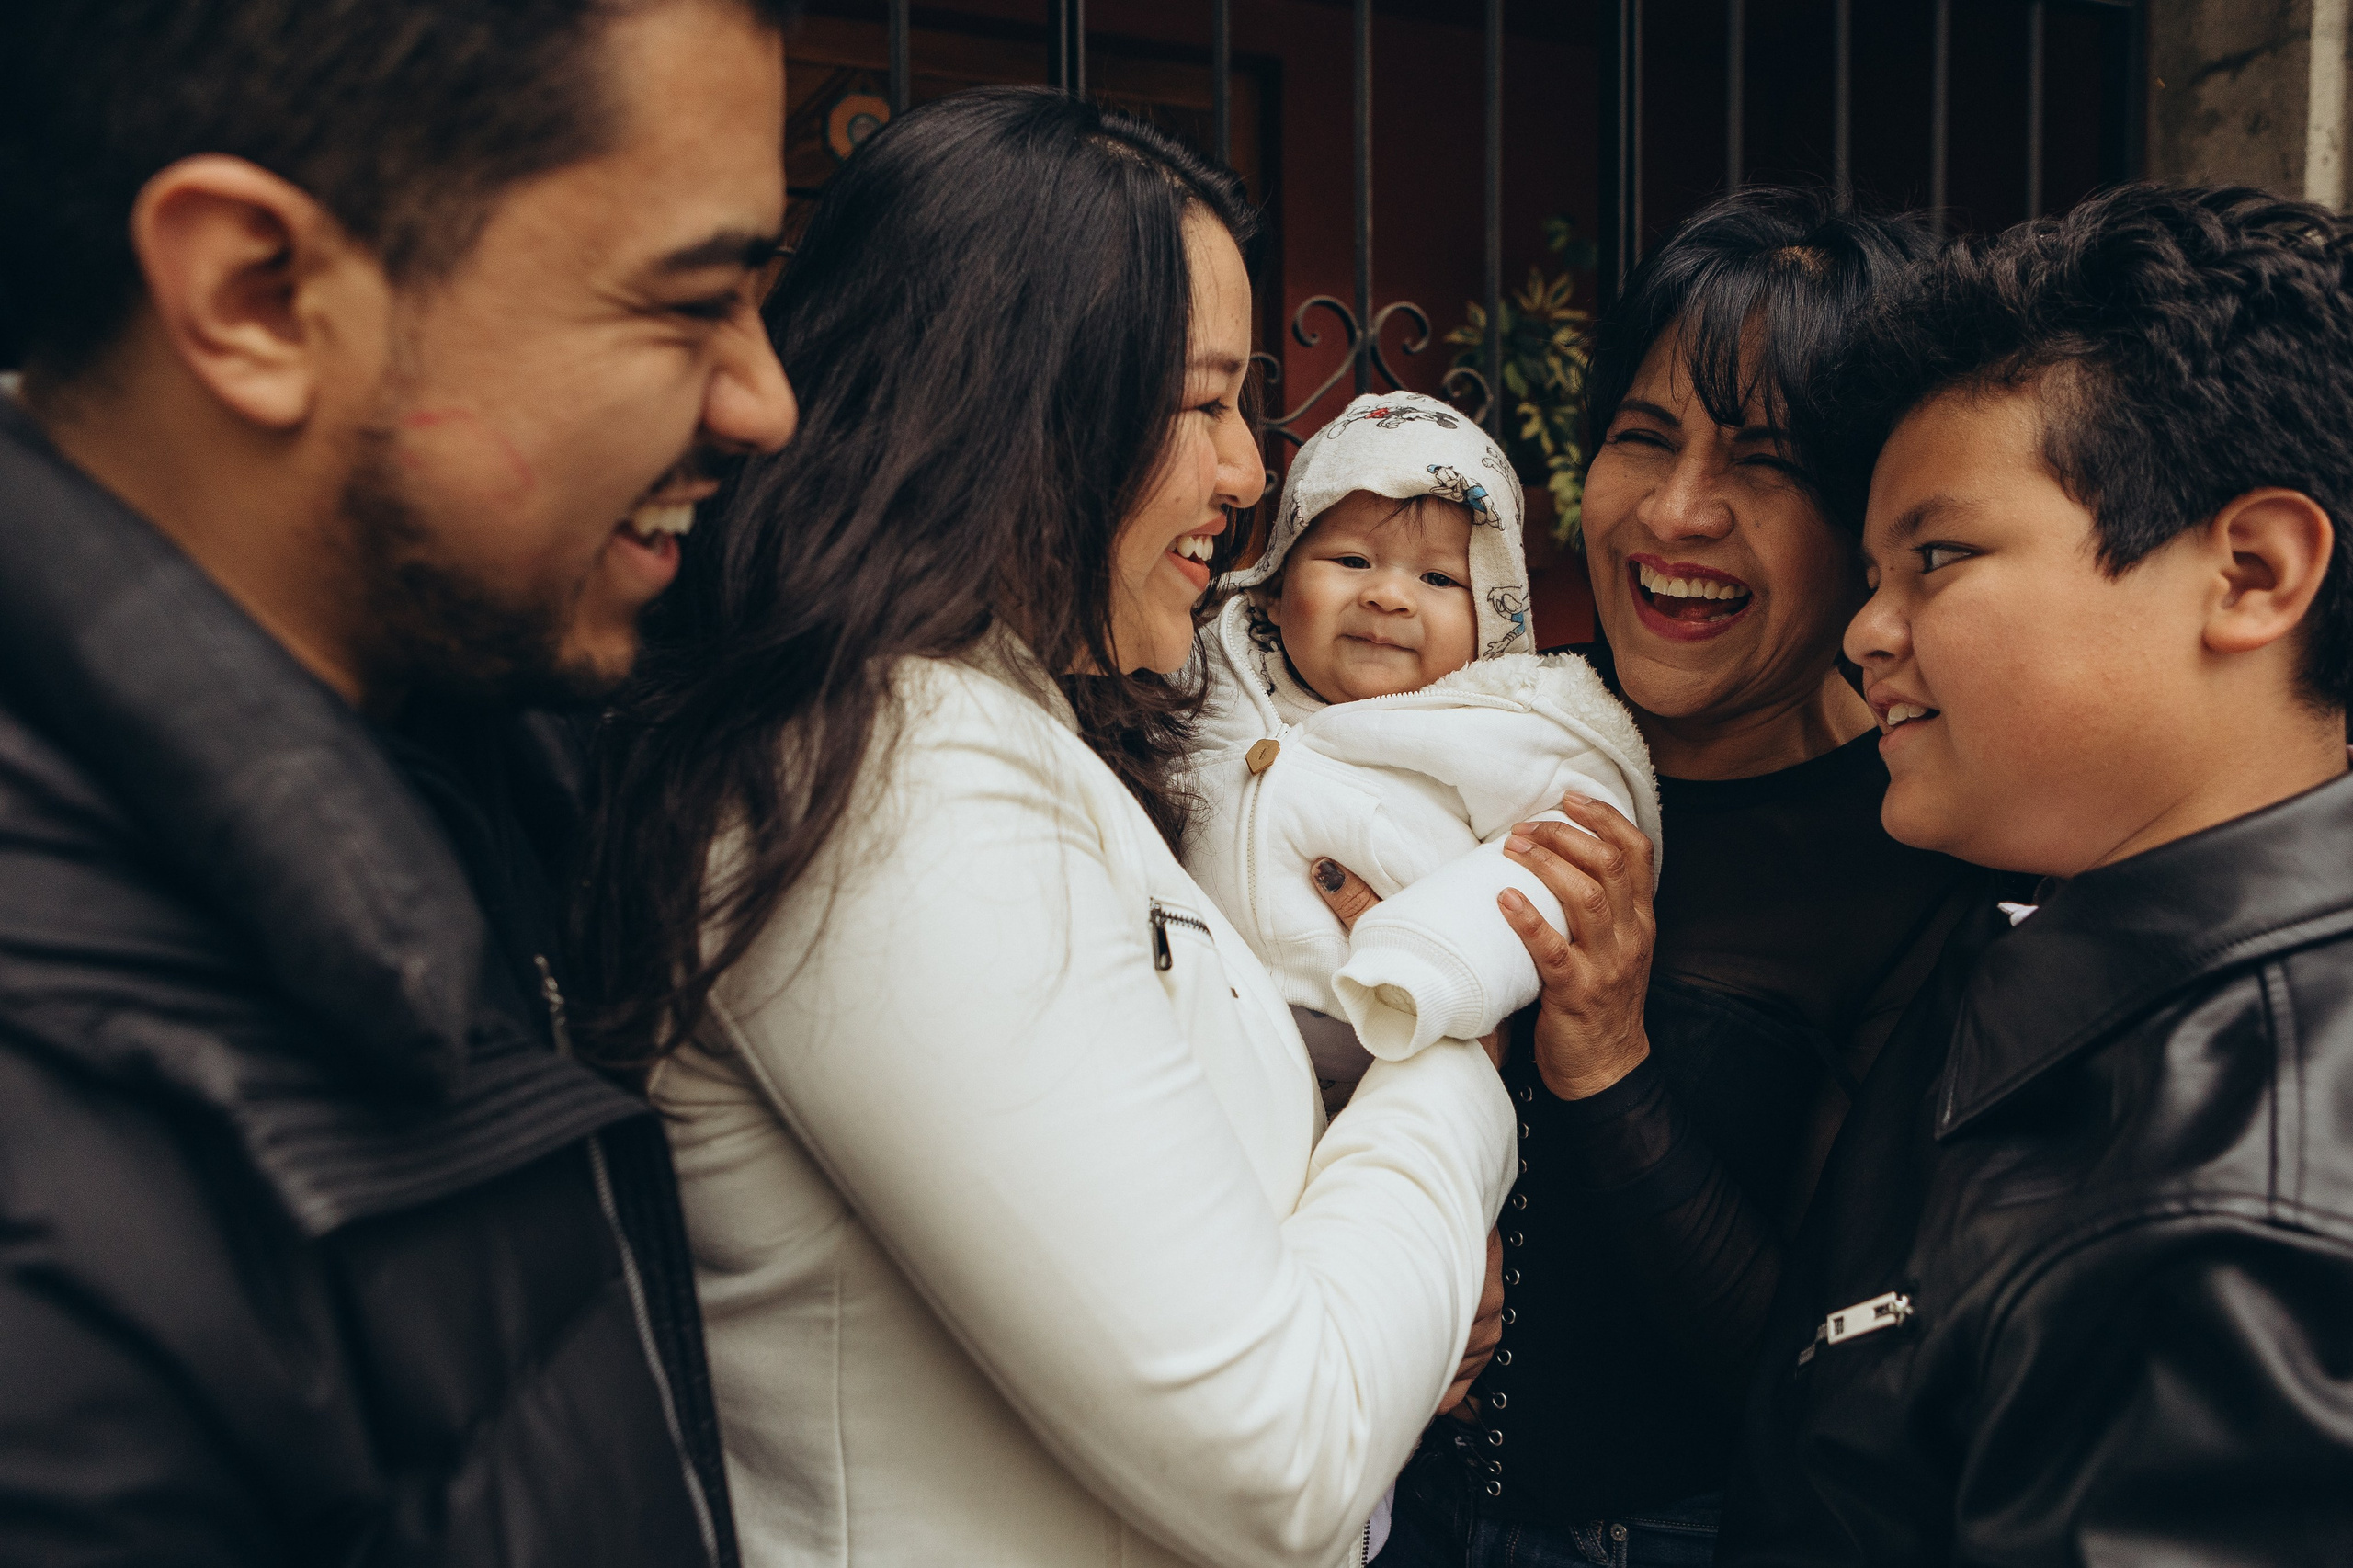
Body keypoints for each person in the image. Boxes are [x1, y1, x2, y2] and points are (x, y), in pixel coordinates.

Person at [577, 88, 1514, 1568]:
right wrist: (1454, 1069)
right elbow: (1274, 1451)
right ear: (1014, 404)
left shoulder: (994, 721)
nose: (1249, 472)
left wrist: (1378, 1296)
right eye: (1203, 402)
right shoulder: (890, 771)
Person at [0, 1, 798, 1562]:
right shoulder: (53, 1153)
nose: (763, 403)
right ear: (259, 295)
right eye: (691, 301)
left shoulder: (475, 761)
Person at [1722, 184, 2353, 1564]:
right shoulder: (2043, 949)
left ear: (2250, 570)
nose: (1866, 635)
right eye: (1875, 571)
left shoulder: (2231, 1233)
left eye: (1938, 557)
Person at [1370, 189, 1997, 1567]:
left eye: (1764, 465)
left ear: (1869, 524)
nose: (1676, 511)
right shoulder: (1492, 721)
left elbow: (1806, 1372)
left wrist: (1610, 1055)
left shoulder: (1916, 858)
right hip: (1363, 1500)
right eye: (1642, 438)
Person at [1183, 387, 1661, 1113]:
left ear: (1490, 624)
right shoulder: (1206, 669)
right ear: (1277, 589)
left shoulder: (1505, 724)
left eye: (1438, 579)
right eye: (1350, 559)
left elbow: (1550, 859)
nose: (1389, 596)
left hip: (1399, 1061)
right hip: (1197, 1048)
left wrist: (1426, 960)